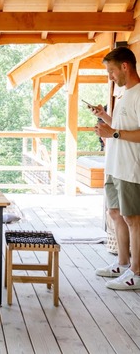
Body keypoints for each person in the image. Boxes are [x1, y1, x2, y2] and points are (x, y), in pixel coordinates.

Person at [91, 46, 140, 290]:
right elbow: (120, 127)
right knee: (115, 214)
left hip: (131, 166)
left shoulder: (139, 94)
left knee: (133, 218)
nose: (110, 76)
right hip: (114, 165)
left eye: (111, 71)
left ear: (125, 66)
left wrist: (114, 133)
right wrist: (104, 117)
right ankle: (122, 264)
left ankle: (136, 273)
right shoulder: (124, 95)